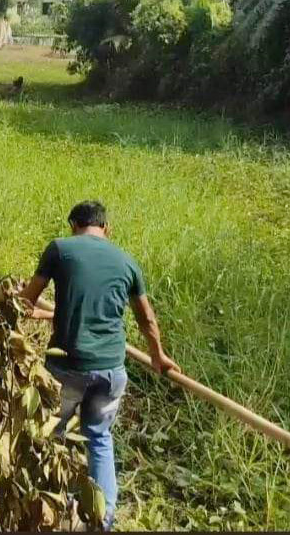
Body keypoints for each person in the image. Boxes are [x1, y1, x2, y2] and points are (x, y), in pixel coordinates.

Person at [18, 200, 179, 530]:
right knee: (99, 438)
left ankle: (46, 508)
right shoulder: (127, 262)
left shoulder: (60, 249)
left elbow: (24, 302)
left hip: (67, 367)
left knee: (51, 432)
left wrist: (32, 310)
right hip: (111, 372)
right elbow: (146, 318)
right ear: (106, 228)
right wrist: (157, 355)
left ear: (73, 225)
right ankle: (102, 520)